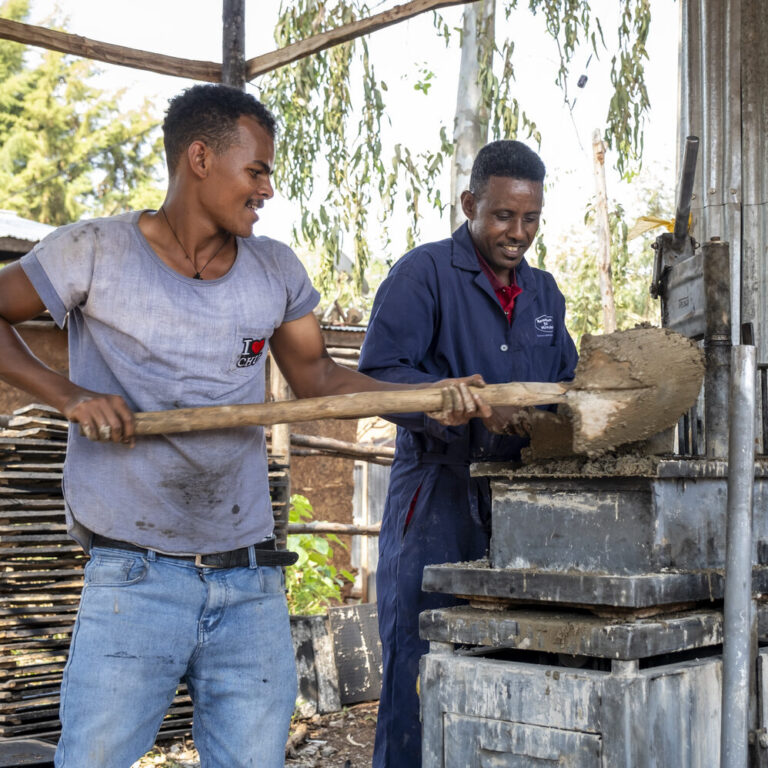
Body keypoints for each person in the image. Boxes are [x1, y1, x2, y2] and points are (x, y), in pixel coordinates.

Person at [0, 84, 488, 768]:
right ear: (200, 158)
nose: (267, 189)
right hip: (135, 575)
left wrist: (427, 397)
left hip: (249, 577)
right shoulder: (94, 250)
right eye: (256, 170)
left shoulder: (274, 269)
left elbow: (318, 378)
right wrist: (68, 394)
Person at [358, 139, 579, 768]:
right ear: (469, 205)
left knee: (513, 657)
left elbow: (564, 383)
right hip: (438, 492)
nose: (518, 233)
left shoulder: (544, 294)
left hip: (518, 502)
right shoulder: (423, 273)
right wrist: (445, 403)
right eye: (504, 216)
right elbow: (377, 375)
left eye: (531, 218)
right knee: (422, 662)